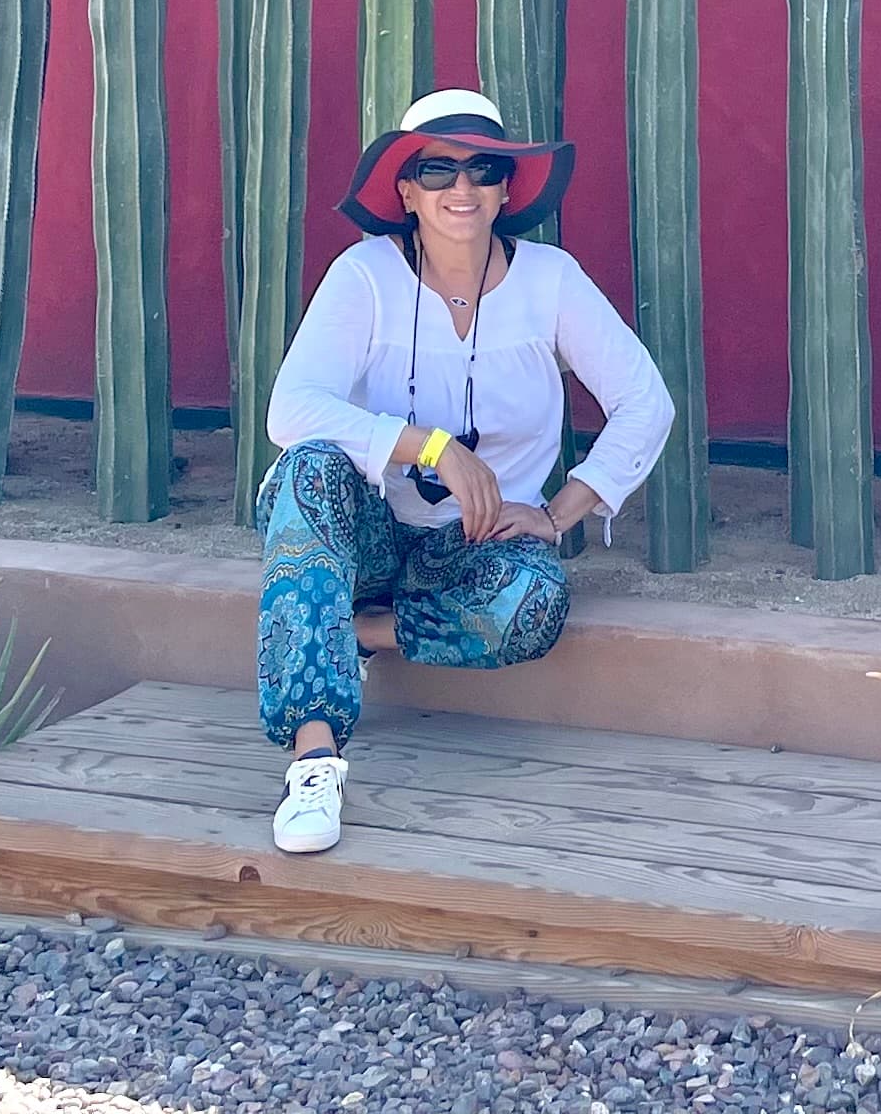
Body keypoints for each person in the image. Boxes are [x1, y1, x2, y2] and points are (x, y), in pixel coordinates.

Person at [253, 88, 675, 854]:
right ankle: (315, 760)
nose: (460, 188)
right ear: (406, 192)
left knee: (534, 602)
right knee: (305, 470)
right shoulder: (366, 275)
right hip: (368, 535)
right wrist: (430, 445)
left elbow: (645, 402)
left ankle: (344, 634)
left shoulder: (549, 279)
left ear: (505, 188)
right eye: (437, 170)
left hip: (474, 543)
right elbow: (290, 410)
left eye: (480, 170)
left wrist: (559, 511)